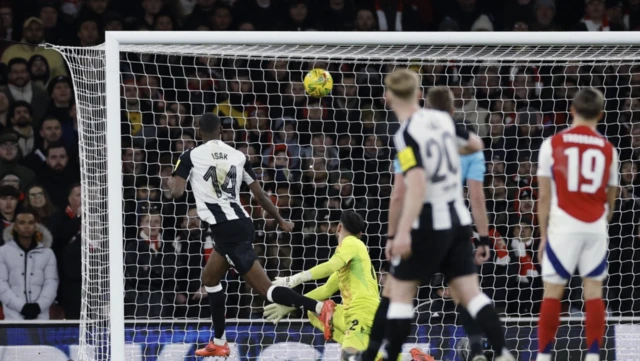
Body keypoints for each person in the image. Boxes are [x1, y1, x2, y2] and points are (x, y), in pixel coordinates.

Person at [367, 69, 513, 361]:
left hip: (430, 222)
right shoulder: (442, 119)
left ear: (389, 96)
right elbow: (476, 144)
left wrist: (400, 233)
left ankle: (379, 354)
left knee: (399, 295)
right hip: (459, 220)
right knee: (472, 295)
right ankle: (503, 353)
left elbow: (413, 188)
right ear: (418, 93)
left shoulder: (405, 133)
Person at [169, 113, 335, 357]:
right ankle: (219, 341)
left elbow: (176, 192)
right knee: (210, 279)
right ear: (221, 132)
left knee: (265, 289)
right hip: (239, 222)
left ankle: (320, 307)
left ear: (198, 131)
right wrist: (280, 220)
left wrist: (176, 175)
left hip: (227, 229)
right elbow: (260, 195)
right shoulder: (238, 155)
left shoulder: (190, 156)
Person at [264, 211, 433, 361]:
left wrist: (293, 280)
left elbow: (330, 265)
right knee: (314, 314)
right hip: (357, 312)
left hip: (361, 311)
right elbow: (326, 289)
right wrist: (290, 305)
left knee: (348, 356)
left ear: (339, 227)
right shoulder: (351, 261)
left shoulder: (351, 242)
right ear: (360, 233)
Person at [536, 88, 617, 361]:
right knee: (593, 292)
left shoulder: (553, 143)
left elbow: (544, 195)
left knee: (553, 292)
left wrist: (543, 235)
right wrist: (599, 222)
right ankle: (593, 356)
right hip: (595, 225)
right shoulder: (608, 149)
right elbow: (611, 197)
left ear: (572, 110)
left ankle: (545, 356)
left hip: (563, 225)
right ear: (601, 115)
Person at [0, 209, 58, 320]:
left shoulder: (47, 253)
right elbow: (1, 284)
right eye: (22, 223)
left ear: (35, 227)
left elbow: (51, 282)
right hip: (13, 317)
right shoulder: (3, 252)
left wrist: (39, 306)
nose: (26, 226)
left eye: (30, 223)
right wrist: (21, 307)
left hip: (41, 317)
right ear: (15, 227)